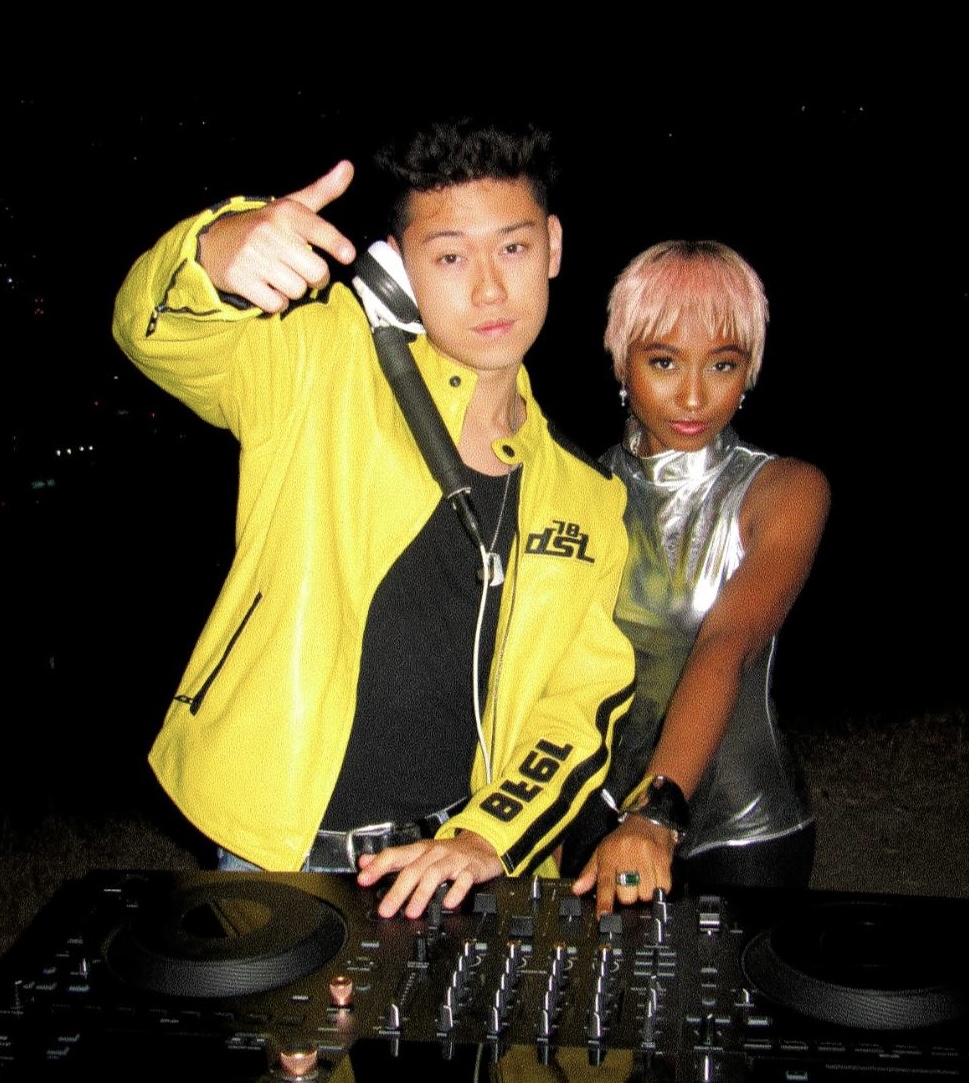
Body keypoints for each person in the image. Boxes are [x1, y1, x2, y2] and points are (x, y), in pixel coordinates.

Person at [111, 117, 635, 920]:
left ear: (553, 246)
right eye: (449, 256)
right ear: (396, 266)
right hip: (277, 842)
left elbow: (577, 704)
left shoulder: (587, 495)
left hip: (454, 858)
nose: (489, 289)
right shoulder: (319, 360)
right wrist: (216, 249)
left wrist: (486, 835)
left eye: (513, 247)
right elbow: (153, 333)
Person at [562, 240, 830, 913]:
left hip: (745, 828)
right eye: (663, 361)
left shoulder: (785, 489)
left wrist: (655, 811)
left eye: (722, 364)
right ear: (621, 361)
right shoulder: (578, 488)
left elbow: (725, 643)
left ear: (750, 370)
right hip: (596, 809)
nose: (692, 395)